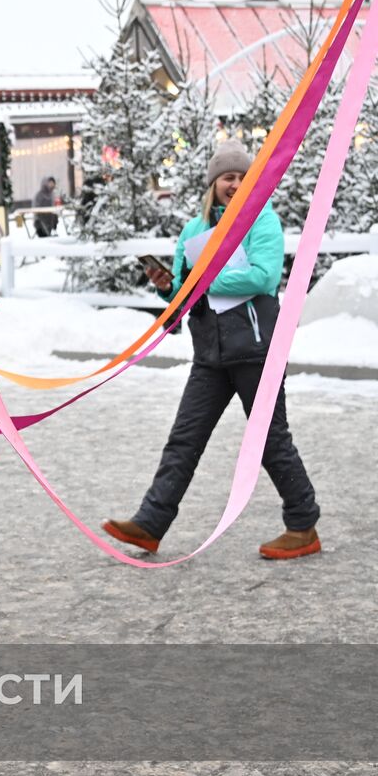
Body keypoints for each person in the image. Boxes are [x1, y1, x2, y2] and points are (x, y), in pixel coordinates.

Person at [103, 141, 321, 559]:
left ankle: (303, 524)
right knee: (184, 439)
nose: (235, 184)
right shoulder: (193, 232)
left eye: (242, 177)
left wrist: (205, 279)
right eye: (227, 177)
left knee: (270, 441)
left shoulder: (262, 223)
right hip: (210, 356)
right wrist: (169, 287)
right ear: (213, 184)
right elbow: (186, 291)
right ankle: (150, 523)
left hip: (256, 352)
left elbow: (262, 278)